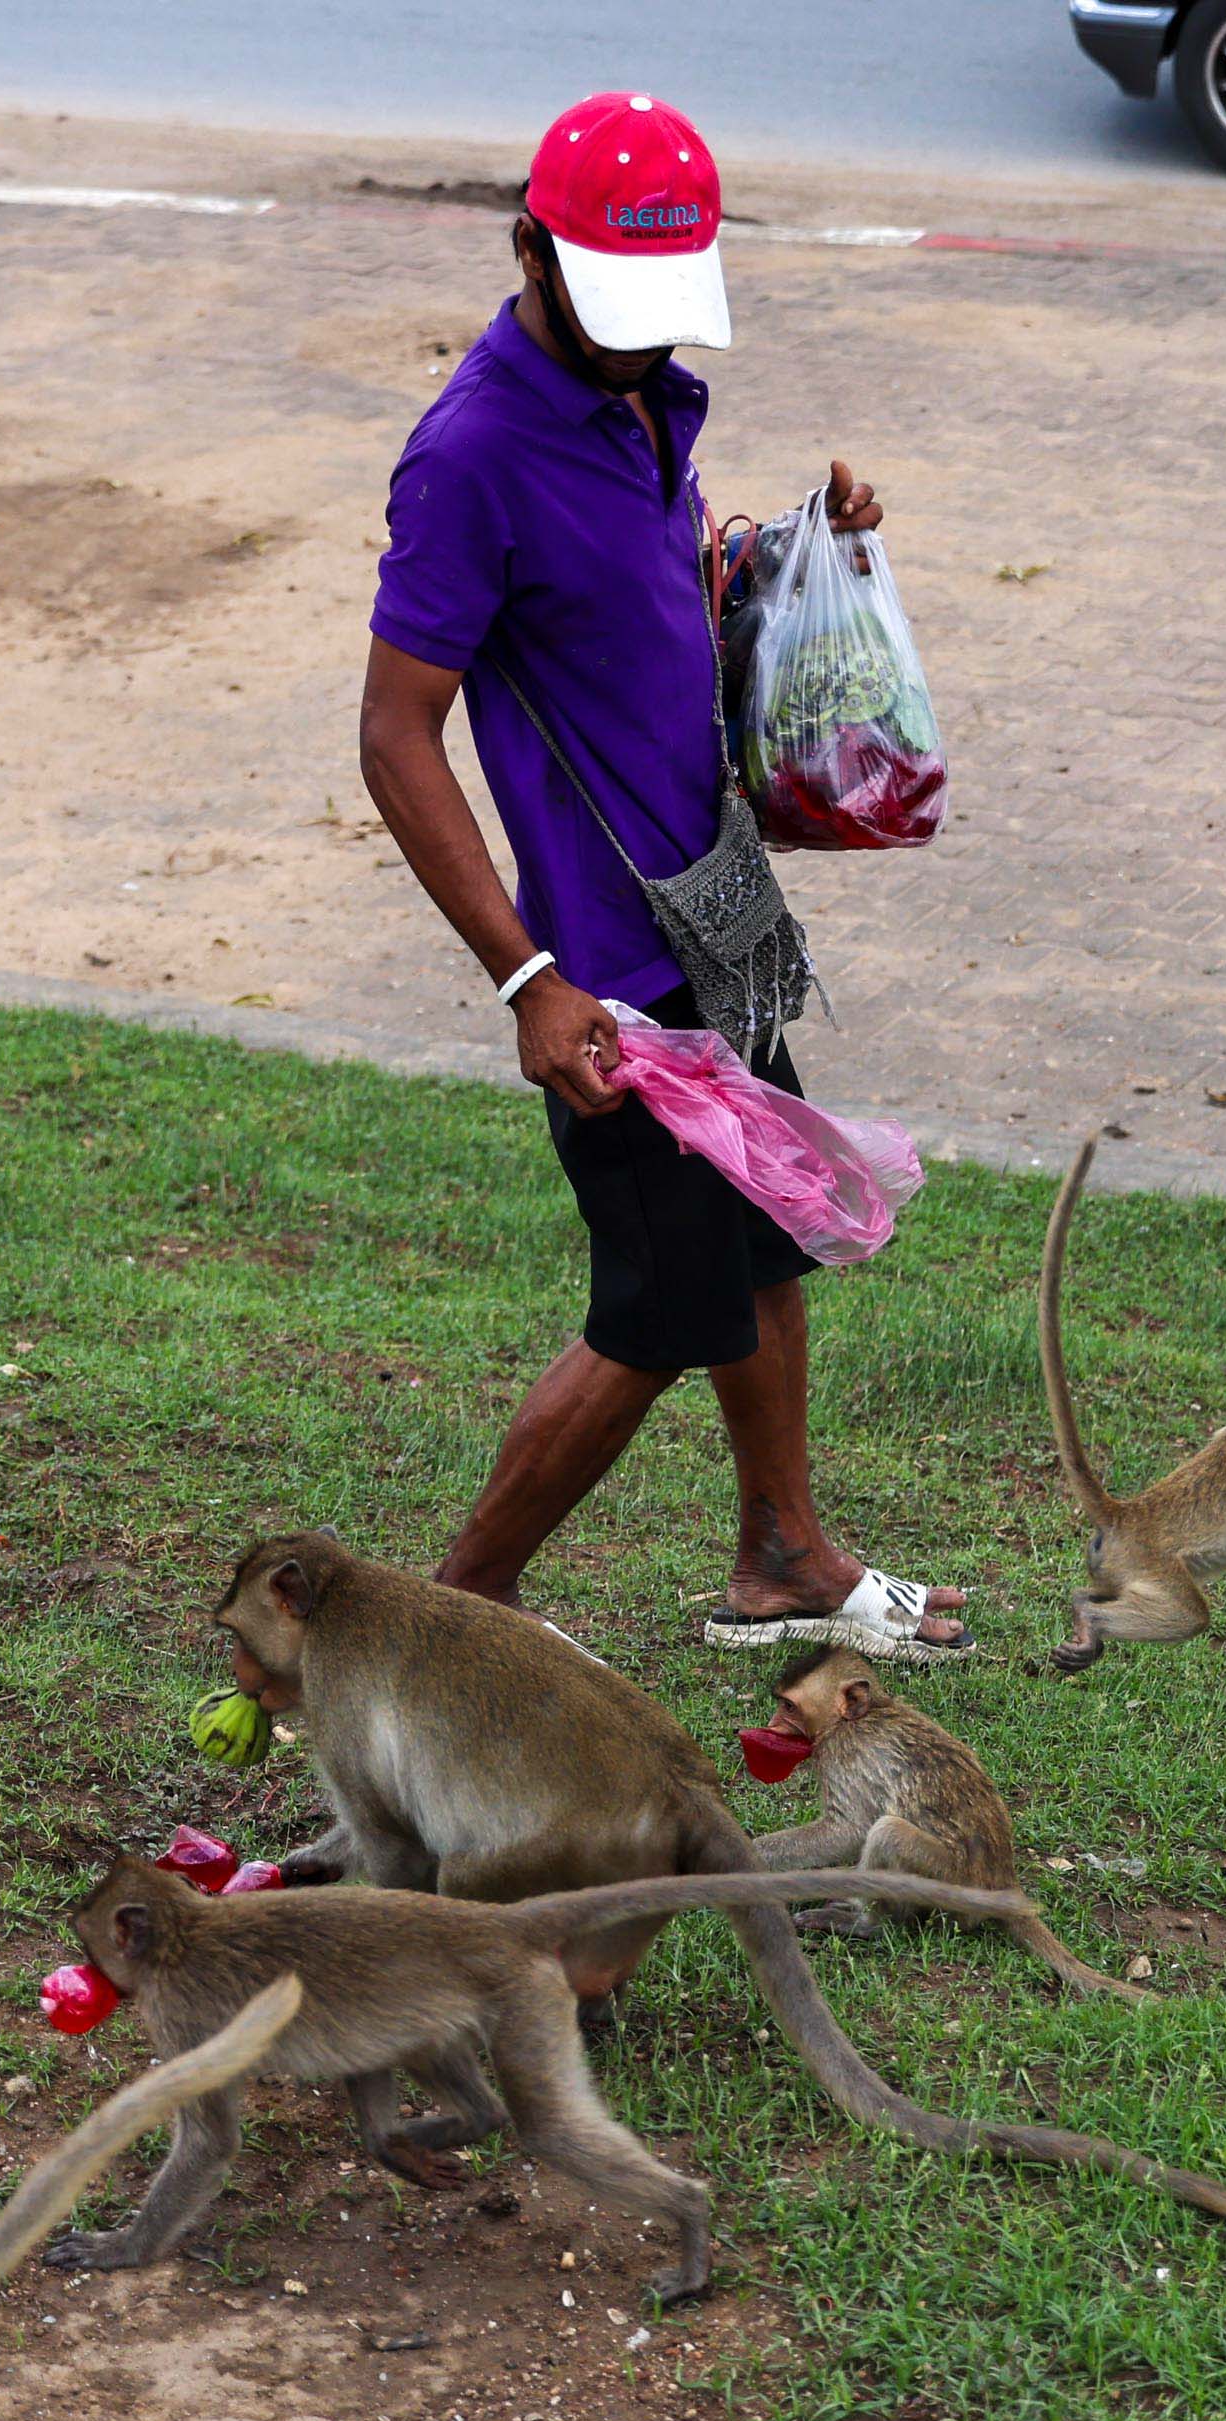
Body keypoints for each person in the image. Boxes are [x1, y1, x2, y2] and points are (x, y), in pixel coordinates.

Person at [358, 90, 967, 1660]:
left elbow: (643, 605)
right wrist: (526, 979)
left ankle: (785, 1556)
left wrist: (785, 565)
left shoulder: (648, 401)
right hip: (607, 976)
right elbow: (396, 734)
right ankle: (449, 1628)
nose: (638, 345)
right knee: (656, 1306)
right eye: (610, 310)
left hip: (714, 904)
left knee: (765, 1234)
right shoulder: (471, 457)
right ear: (527, 252)